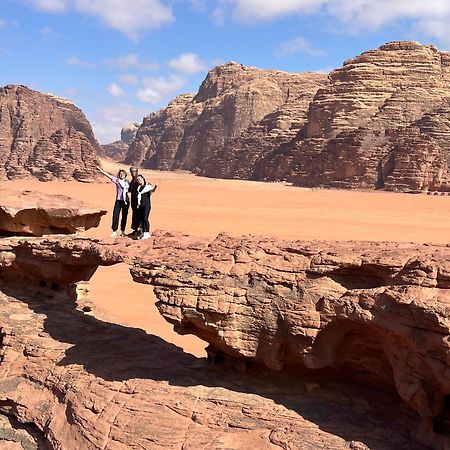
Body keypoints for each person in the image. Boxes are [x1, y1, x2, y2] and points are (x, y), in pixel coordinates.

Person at [96, 166, 129, 237]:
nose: (122, 175)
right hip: (118, 201)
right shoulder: (117, 180)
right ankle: (114, 231)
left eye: (123, 174)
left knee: (124, 217)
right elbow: (109, 176)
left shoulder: (127, 182)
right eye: (120, 174)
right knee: (115, 216)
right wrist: (101, 170)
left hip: (126, 201)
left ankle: (123, 231)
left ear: (125, 175)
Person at [136, 174, 158, 240]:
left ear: (143, 179)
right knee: (142, 219)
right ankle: (143, 232)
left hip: (146, 205)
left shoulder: (148, 187)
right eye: (137, 180)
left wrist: (156, 186)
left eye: (140, 179)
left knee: (145, 218)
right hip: (140, 205)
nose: (139, 180)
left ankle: (147, 232)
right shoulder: (139, 188)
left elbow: (153, 190)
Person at [128, 166, 140, 236]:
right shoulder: (132, 180)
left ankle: (139, 230)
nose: (133, 173)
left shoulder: (138, 179)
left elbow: (143, 186)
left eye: (135, 171)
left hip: (138, 201)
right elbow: (129, 190)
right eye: (132, 172)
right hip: (133, 201)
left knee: (139, 215)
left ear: (137, 172)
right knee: (135, 215)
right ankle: (135, 229)